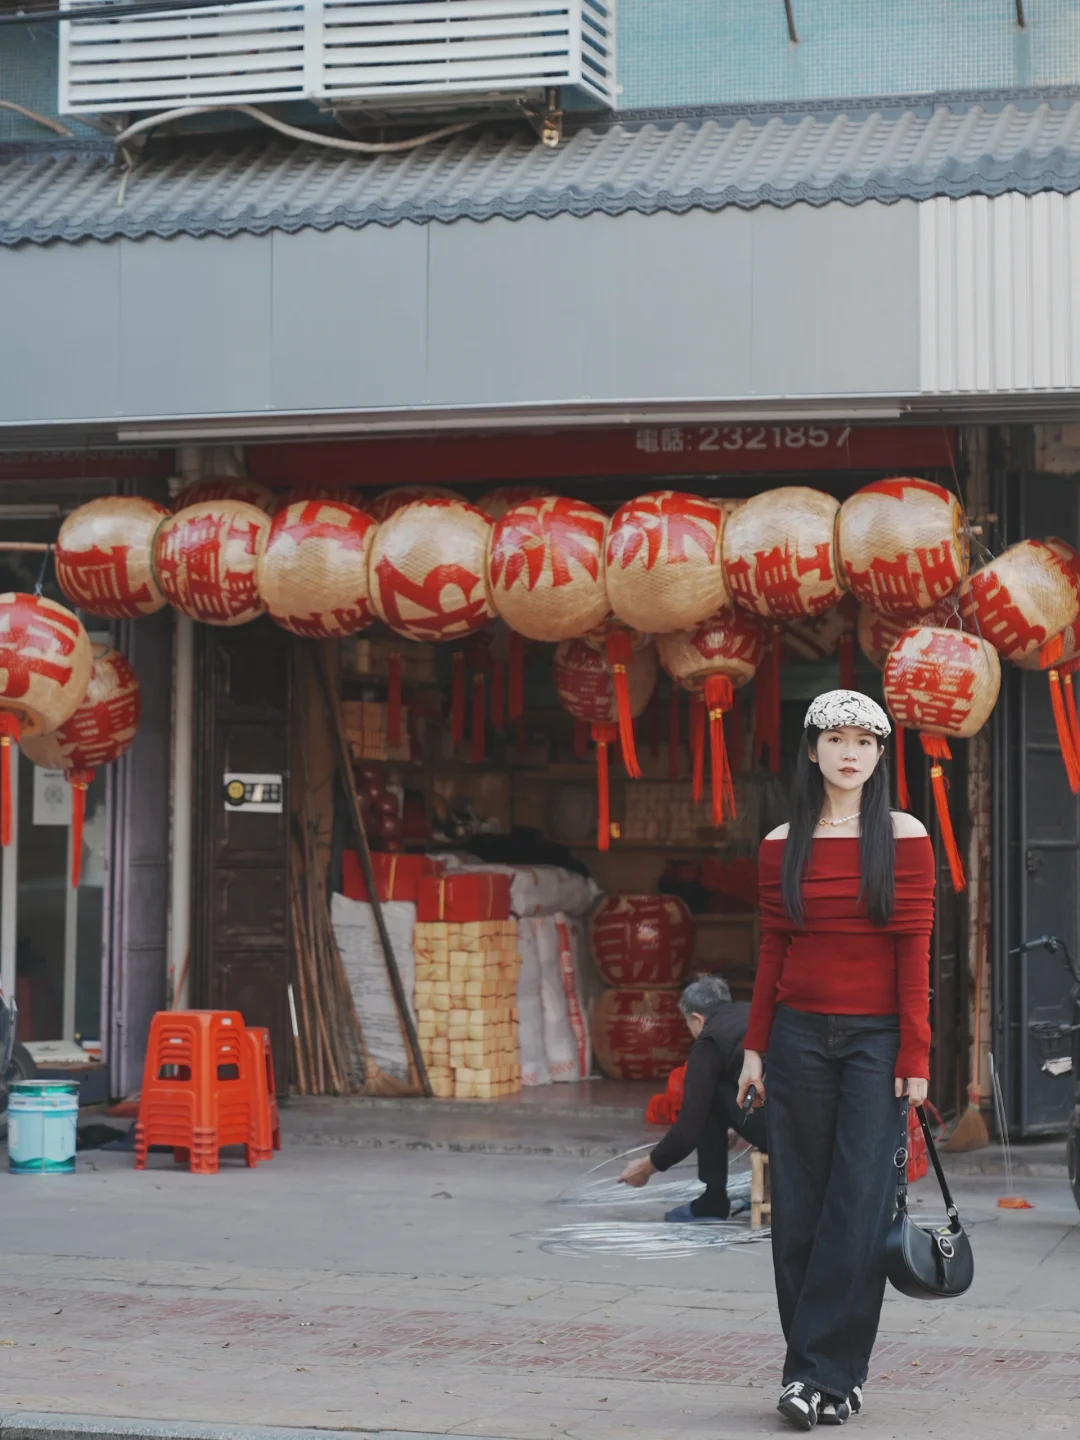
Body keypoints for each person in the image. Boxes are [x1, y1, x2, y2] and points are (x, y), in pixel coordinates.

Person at [737, 689, 934, 1431]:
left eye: (866, 741)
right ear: (813, 751)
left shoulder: (905, 835)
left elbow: (912, 948)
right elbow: (772, 949)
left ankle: (824, 1374)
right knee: (799, 1210)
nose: (850, 753)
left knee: (856, 1209)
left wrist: (915, 1052)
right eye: (836, 739)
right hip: (796, 1040)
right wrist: (755, 1045)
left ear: (881, 756)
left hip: (876, 1043)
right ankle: (819, 1378)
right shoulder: (780, 844)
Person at [618, 974, 768, 1220]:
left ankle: (713, 1200)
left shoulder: (709, 1040)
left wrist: (649, 1165)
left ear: (697, 1019)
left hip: (778, 1131)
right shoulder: (752, 1015)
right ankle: (767, 1193)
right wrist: (734, 1122)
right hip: (813, 1123)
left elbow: (689, 1129)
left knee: (707, 1094)